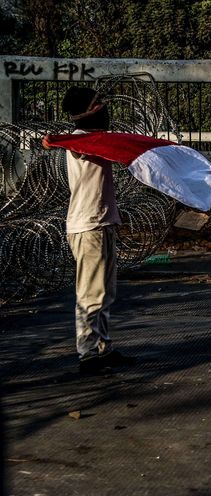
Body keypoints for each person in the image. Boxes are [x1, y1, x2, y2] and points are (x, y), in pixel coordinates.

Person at [43, 87, 135, 374]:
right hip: (88, 226)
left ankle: (103, 347)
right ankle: (87, 354)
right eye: (98, 103)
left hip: (103, 222)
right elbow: (73, 142)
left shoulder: (98, 141)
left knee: (106, 292)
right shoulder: (81, 143)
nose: (104, 107)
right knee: (90, 293)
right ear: (86, 111)